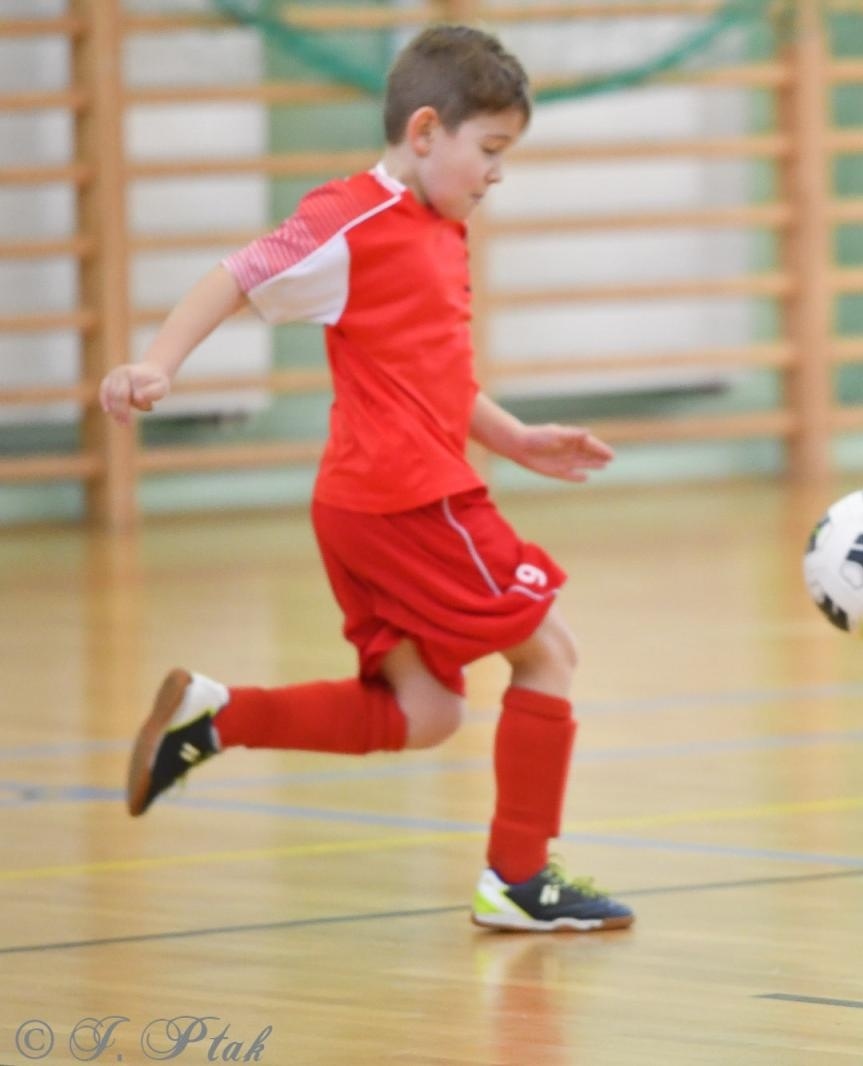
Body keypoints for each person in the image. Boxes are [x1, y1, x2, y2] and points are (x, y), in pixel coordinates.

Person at [98, 24, 633, 933]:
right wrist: (159, 364)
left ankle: (215, 719)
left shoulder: (436, 226)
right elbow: (239, 273)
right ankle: (517, 879)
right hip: (408, 499)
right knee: (550, 652)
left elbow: (431, 374)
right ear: (425, 130)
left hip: (366, 505)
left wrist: (513, 438)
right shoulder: (354, 219)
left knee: (423, 712)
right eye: (490, 151)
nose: (496, 174)